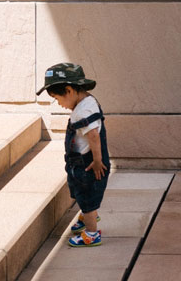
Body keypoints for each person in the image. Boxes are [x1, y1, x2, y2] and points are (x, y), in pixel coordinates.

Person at [36, 63, 110, 247]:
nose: (59, 104)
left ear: (69, 90)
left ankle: (92, 233)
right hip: (81, 162)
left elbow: (93, 136)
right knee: (81, 193)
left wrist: (97, 160)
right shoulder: (88, 102)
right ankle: (87, 216)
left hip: (88, 163)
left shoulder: (82, 111)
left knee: (87, 197)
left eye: (57, 98)